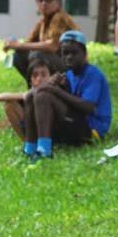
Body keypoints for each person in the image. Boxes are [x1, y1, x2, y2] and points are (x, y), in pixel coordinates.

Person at [22, 30, 112, 161]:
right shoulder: (68, 75)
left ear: (85, 54)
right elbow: (65, 101)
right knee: (34, 95)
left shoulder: (93, 74)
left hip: (92, 130)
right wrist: (56, 85)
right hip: (75, 123)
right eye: (65, 53)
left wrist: (56, 91)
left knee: (43, 95)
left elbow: (88, 107)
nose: (69, 57)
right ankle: (29, 147)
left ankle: (44, 150)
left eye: (74, 53)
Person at [2, 0, 79, 80]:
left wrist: (18, 45)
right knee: (18, 55)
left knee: (38, 54)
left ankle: (47, 87)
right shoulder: (43, 22)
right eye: (40, 0)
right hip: (57, 64)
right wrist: (12, 44)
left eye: (48, 0)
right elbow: (28, 44)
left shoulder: (59, 17)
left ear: (58, 3)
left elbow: (52, 46)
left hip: (73, 69)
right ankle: (35, 87)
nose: (44, 3)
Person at [0, 57, 52, 141]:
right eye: (35, 76)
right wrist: (25, 95)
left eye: (43, 75)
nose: (39, 79)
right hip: (31, 127)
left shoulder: (55, 91)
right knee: (9, 105)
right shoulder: (28, 94)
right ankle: (26, 140)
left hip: (50, 130)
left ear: (50, 77)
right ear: (30, 81)